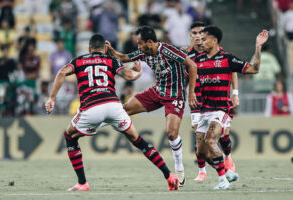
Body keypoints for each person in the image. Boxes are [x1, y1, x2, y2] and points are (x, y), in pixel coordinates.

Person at [45, 34, 179, 191]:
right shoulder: (111, 60)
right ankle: (169, 175)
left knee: (70, 136)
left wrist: (52, 98)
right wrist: (139, 73)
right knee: (138, 140)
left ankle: (82, 183)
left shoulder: (78, 60)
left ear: (89, 49)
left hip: (91, 108)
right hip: (114, 106)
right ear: (104, 49)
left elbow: (61, 73)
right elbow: (129, 75)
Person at [106, 25, 198, 187]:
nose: (139, 47)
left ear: (150, 42)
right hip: (157, 91)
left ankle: (178, 166)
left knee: (171, 133)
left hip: (174, 95)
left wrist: (191, 92)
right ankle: (99, 122)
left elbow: (192, 65)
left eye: (140, 43)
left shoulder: (168, 50)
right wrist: (112, 51)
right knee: (125, 109)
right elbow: (125, 57)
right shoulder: (144, 52)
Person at [195, 26, 269, 189]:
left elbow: (254, 69)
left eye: (205, 38)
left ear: (214, 40)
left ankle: (223, 181)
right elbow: (185, 72)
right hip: (204, 110)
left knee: (211, 141)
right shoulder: (198, 60)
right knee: (200, 152)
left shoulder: (227, 59)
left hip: (221, 109)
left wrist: (258, 46)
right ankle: (228, 173)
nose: (202, 41)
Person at [184, 21, 238, 182]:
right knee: (200, 140)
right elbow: (186, 78)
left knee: (222, 136)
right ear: (190, 36)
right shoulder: (187, 55)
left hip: (217, 101)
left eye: (202, 33)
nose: (199, 36)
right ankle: (203, 171)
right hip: (198, 102)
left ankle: (227, 158)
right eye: (195, 33)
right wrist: (187, 93)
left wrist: (235, 93)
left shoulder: (216, 52)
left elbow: (231, 70)